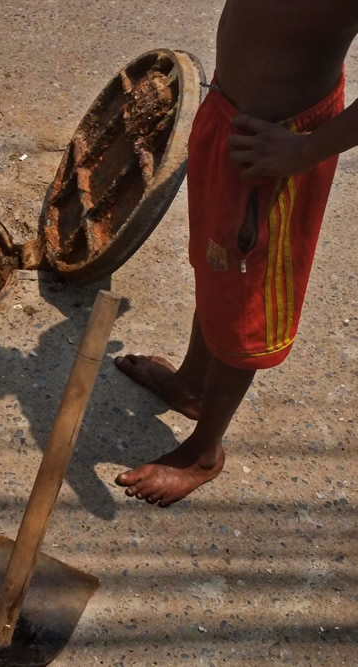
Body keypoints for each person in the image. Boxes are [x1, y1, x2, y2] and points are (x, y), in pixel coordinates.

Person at [114, 0, 358, 506]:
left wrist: (304, 151)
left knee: (245, 305)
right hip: (228, 115)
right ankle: (190, 386)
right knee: (216, 265)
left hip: (278, 149)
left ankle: (204, 452)